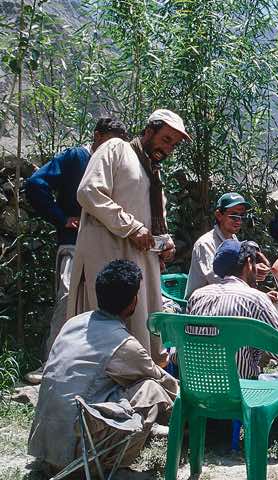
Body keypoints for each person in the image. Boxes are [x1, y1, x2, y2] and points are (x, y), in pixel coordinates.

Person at [29, 260, 178, 473]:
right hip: (76, 456)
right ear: (133, 301)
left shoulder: (74, 322)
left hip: (45, 447)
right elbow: (163, 381)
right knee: (151, 389)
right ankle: (109, 466)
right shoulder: (123, 344)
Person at [67, 109, 190, 362]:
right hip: (108, 257)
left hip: (141, 264)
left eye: (174, 145)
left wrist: (164, 245)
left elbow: (156, 226)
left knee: (142, 331)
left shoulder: (153, 174)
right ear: (149, 131)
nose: (168, 149)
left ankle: (141, 385)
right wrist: (131, 227)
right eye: (166, 139)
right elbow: (89, 192)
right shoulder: (116, 149)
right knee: (105, 331)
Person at [23, 116, 128, 384]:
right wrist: (62, 218)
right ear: (97, 136)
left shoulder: (116, 165)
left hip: (105, 245)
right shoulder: (75, 157)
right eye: (111, 141)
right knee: (67, 297)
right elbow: (36, 184)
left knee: (102, 300)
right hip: (73, 241)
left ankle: (96, 364)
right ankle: (51, 363)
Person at [186, 239, 278, 400]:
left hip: (198, 392)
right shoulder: (255, 299)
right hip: (242, 393)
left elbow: (176, 355)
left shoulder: (197, 296)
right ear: (249, 262)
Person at [185, 192, 270, 298]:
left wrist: (253, 273)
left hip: (226, 297)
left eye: (242, 216)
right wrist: (248, 273)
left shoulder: (234, 240)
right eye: (234, 216)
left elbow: (235, 275)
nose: (238, 221)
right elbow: (216, 279)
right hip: (203, 303)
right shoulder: (205, 243)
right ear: (219, 215)